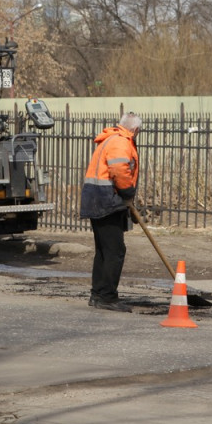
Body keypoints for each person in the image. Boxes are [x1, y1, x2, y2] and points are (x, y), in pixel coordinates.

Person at [79, 112, 142, 312]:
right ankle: (107, 297)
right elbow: (120, 170)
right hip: (106, 201)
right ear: (135, 130)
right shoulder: (121, 142)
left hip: (98, 199)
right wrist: (127, 191)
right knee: (115, 251)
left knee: (104, 251)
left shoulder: (111, 138)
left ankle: (98, 294)